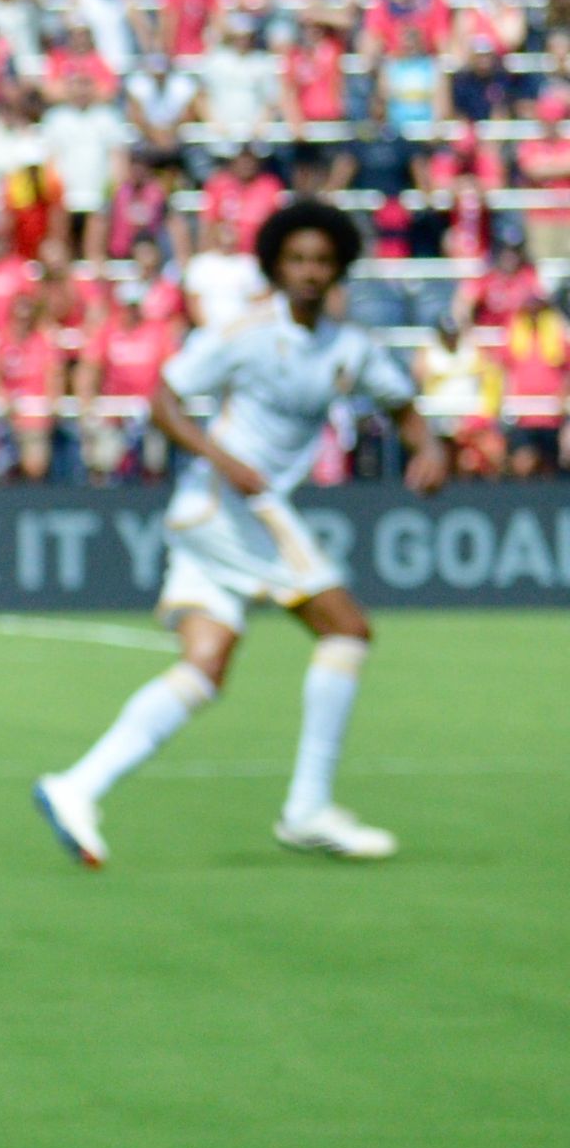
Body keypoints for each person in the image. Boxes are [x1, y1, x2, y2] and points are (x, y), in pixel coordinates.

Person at [34, 198, 444, 871]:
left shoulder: (350, 348)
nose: (310, 272)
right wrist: (225, 461)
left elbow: (403, 407)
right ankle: (308, 807)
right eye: (297, 260)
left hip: (226, 515)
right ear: (276, 267)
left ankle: (77, 786)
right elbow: (163, 401)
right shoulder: (244, 331)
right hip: (230, 507)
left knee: (205, 668)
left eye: (321, 261)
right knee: (346, 630)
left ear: (339, 268)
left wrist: (430, 450)